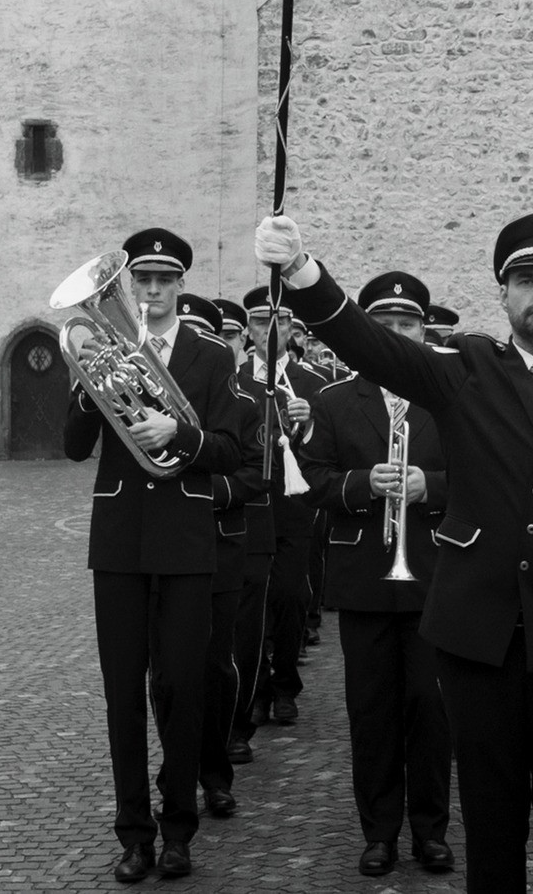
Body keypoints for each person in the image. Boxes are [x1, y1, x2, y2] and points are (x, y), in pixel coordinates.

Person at [256, 209, 533, 894]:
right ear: (503, 294)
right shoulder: (466, 371)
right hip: (479, 636)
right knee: (490, 825)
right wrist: (302, 271)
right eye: (526, 281)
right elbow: (370, 345)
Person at [63, 228, 260, 882]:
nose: (151, 291)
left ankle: (178, 830)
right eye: (141, 280)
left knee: (182, 686)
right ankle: (134, 835)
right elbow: (73, 447)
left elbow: (231, 449)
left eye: (163, 280)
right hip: (119, 539)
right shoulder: (104, 352)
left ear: (180, 285)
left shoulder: (211, 356)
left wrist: (181, 431)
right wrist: (84, 385)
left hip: (185, 539)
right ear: (128, 286)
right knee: (123, 691)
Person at [298, 271, 457, 878]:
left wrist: (430, 486)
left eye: (406, 324)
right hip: (365, 576)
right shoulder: (335, 400)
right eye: (382, 324)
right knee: (371, 712)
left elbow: (486, 477)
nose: (394, 333)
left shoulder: (451, 397)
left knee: (431, 708)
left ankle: (431, 832)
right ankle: (380, 833)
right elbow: (311, 482)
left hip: (434, 575)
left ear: (424, 331)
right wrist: (363, 483)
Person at [177, 294, 256, 822]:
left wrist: (206, 493)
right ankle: (178, 773)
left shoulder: (242, 399)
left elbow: (257, 472)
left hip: (221, 542)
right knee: (170, 672)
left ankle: (215, 773)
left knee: (215, 667)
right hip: (168, 546)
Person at [241, 286, 329, 727]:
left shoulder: (312, 384)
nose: (269, 330)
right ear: (248, 329)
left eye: (278, 321)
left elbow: (328, 449)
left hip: (295, 506)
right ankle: (256, 688)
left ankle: (286, 682)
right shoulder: (235, 380)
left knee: (292, 596)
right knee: (253, 602)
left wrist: (309, 424)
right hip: (250, 506)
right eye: (261, 322)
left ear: (291, 327)